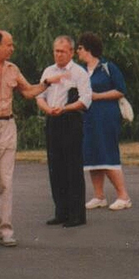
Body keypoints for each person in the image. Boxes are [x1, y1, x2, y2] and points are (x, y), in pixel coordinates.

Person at [0, 30, 61, 247]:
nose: (13, 48)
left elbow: (28, 92)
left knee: (5, 182)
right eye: (9, 44)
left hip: (8, 126)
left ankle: (5, 230)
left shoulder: (13, 69)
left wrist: (46, 84)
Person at [36, 35, 92, 228]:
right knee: (56, 167)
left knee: (72, 167)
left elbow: (85, 100)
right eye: (56, 51)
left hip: (70, 119)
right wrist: (47, 109)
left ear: (70, 52)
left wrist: (66, 108)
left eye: (62, 51)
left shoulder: (79, 73)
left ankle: (76, 214)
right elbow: (39, 95)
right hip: (53, 120)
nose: (58, 55)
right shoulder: (49, 71)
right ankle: (61, 211)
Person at [76, 32, 132, 211]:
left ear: (89, 49)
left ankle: (123, 196)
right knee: (92, 154)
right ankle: (99, 195)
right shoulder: (82, 71)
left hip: (106, 116)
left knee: (107, 152)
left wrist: (97, 96)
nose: (78, 52)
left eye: (80, 48)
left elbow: (120, 90)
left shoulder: (108, 67)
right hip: (88, 117)